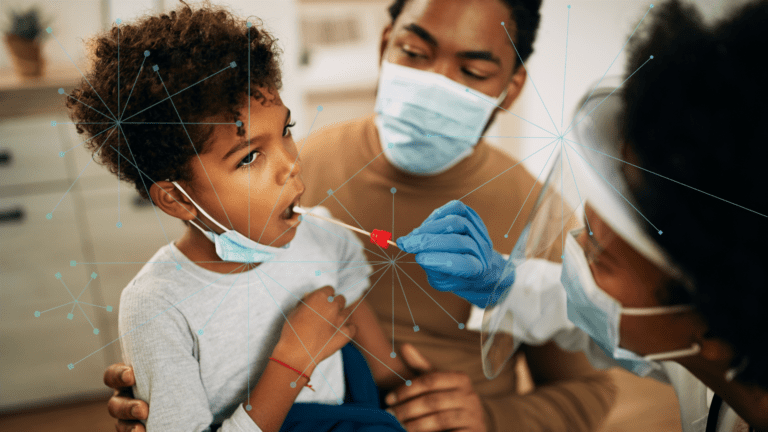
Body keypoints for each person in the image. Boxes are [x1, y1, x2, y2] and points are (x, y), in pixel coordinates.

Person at [105, 0, 622, 431]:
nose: (289, 167)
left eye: (473, 70)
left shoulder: (539, 213)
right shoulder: (291, 174)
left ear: (510, 87)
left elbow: (591, 389)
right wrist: (159, 394)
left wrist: (488, 416)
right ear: (384, 46)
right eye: (414, 51)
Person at [395, 0, 768, 430]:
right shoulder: (710, 350)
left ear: (713, 330)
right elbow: (582, 312)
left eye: (598, 259)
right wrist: (501, 281)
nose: (574, 250)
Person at [67, 4, 422, 431]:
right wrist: (292, 363)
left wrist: (407, 391)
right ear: (177, 199)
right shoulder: (157, 306)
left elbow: (369, 344)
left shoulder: (323, 235)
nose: (290, 164)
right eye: (250, 156)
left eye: (286, 131)